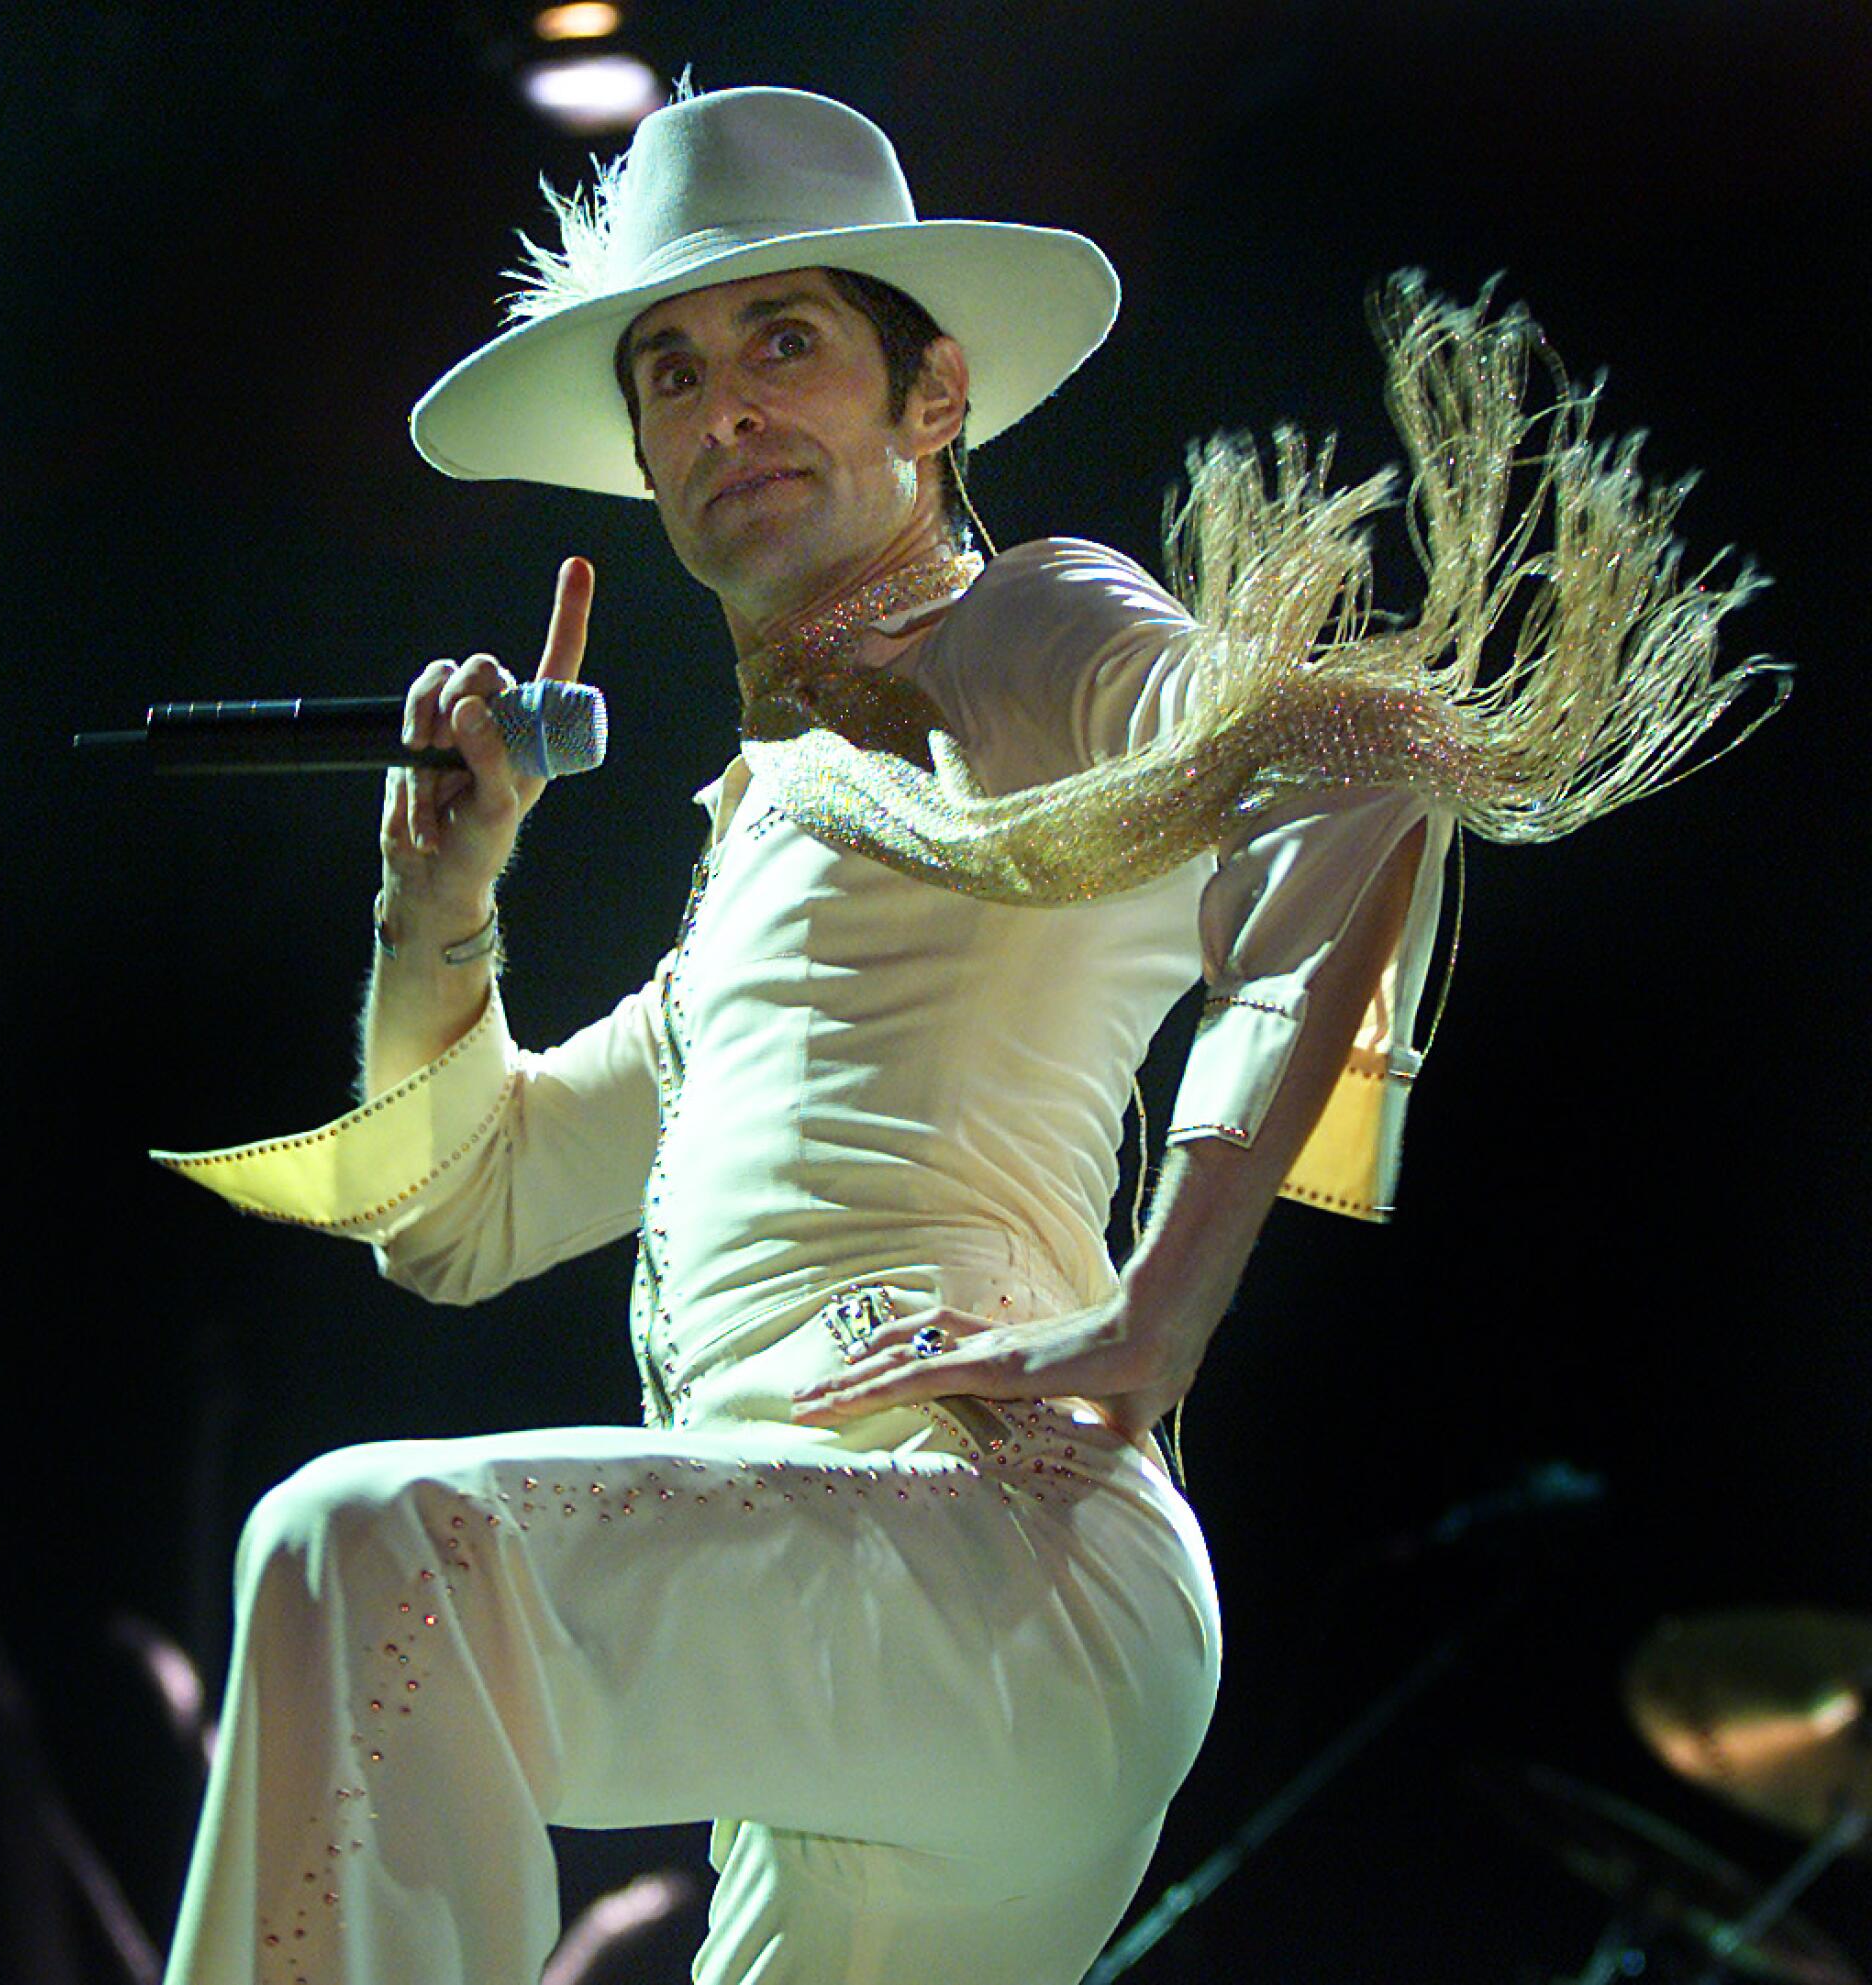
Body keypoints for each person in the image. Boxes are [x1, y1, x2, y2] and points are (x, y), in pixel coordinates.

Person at [154, 85, 1778, 1985]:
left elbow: (1349, 777)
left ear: (934, 403)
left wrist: (1157, 1310)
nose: (725, 408)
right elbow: (459, 1213)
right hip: (841, 1664)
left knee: (371, 1550)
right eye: (670, 374)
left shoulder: (1024, 623)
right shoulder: (761, 862)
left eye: (785, 343)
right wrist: (439, 906)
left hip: (992, 1555)